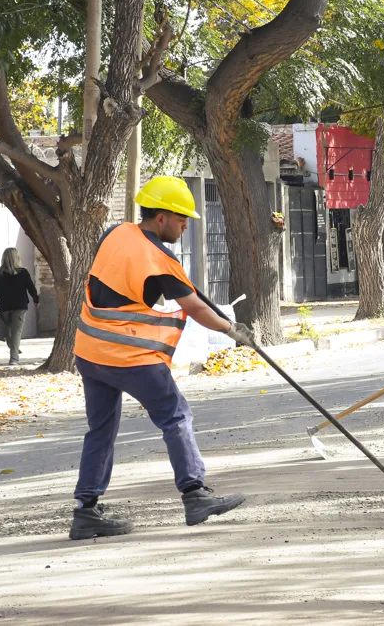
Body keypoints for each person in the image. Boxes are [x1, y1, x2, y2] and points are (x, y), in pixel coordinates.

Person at [69, 175, 253, 541]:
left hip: (89, 351)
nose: (185, 225)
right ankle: (195, 494)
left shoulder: (114, 233)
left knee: (101, 429)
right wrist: (233, 331)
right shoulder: (160, 259)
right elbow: (196, 308)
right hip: (129, 354)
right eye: (182, 218)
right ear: (161, 218)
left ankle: (86, 511)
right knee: (176, 415)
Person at [0, 248, 38, 364]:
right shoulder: (23, 272)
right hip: (20, 306)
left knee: (10, 333)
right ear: (17, 258)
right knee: (14, 333)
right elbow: (31, 287)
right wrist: (36, 299)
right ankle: (14, 353)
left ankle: (14, 356)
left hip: (4, 307)